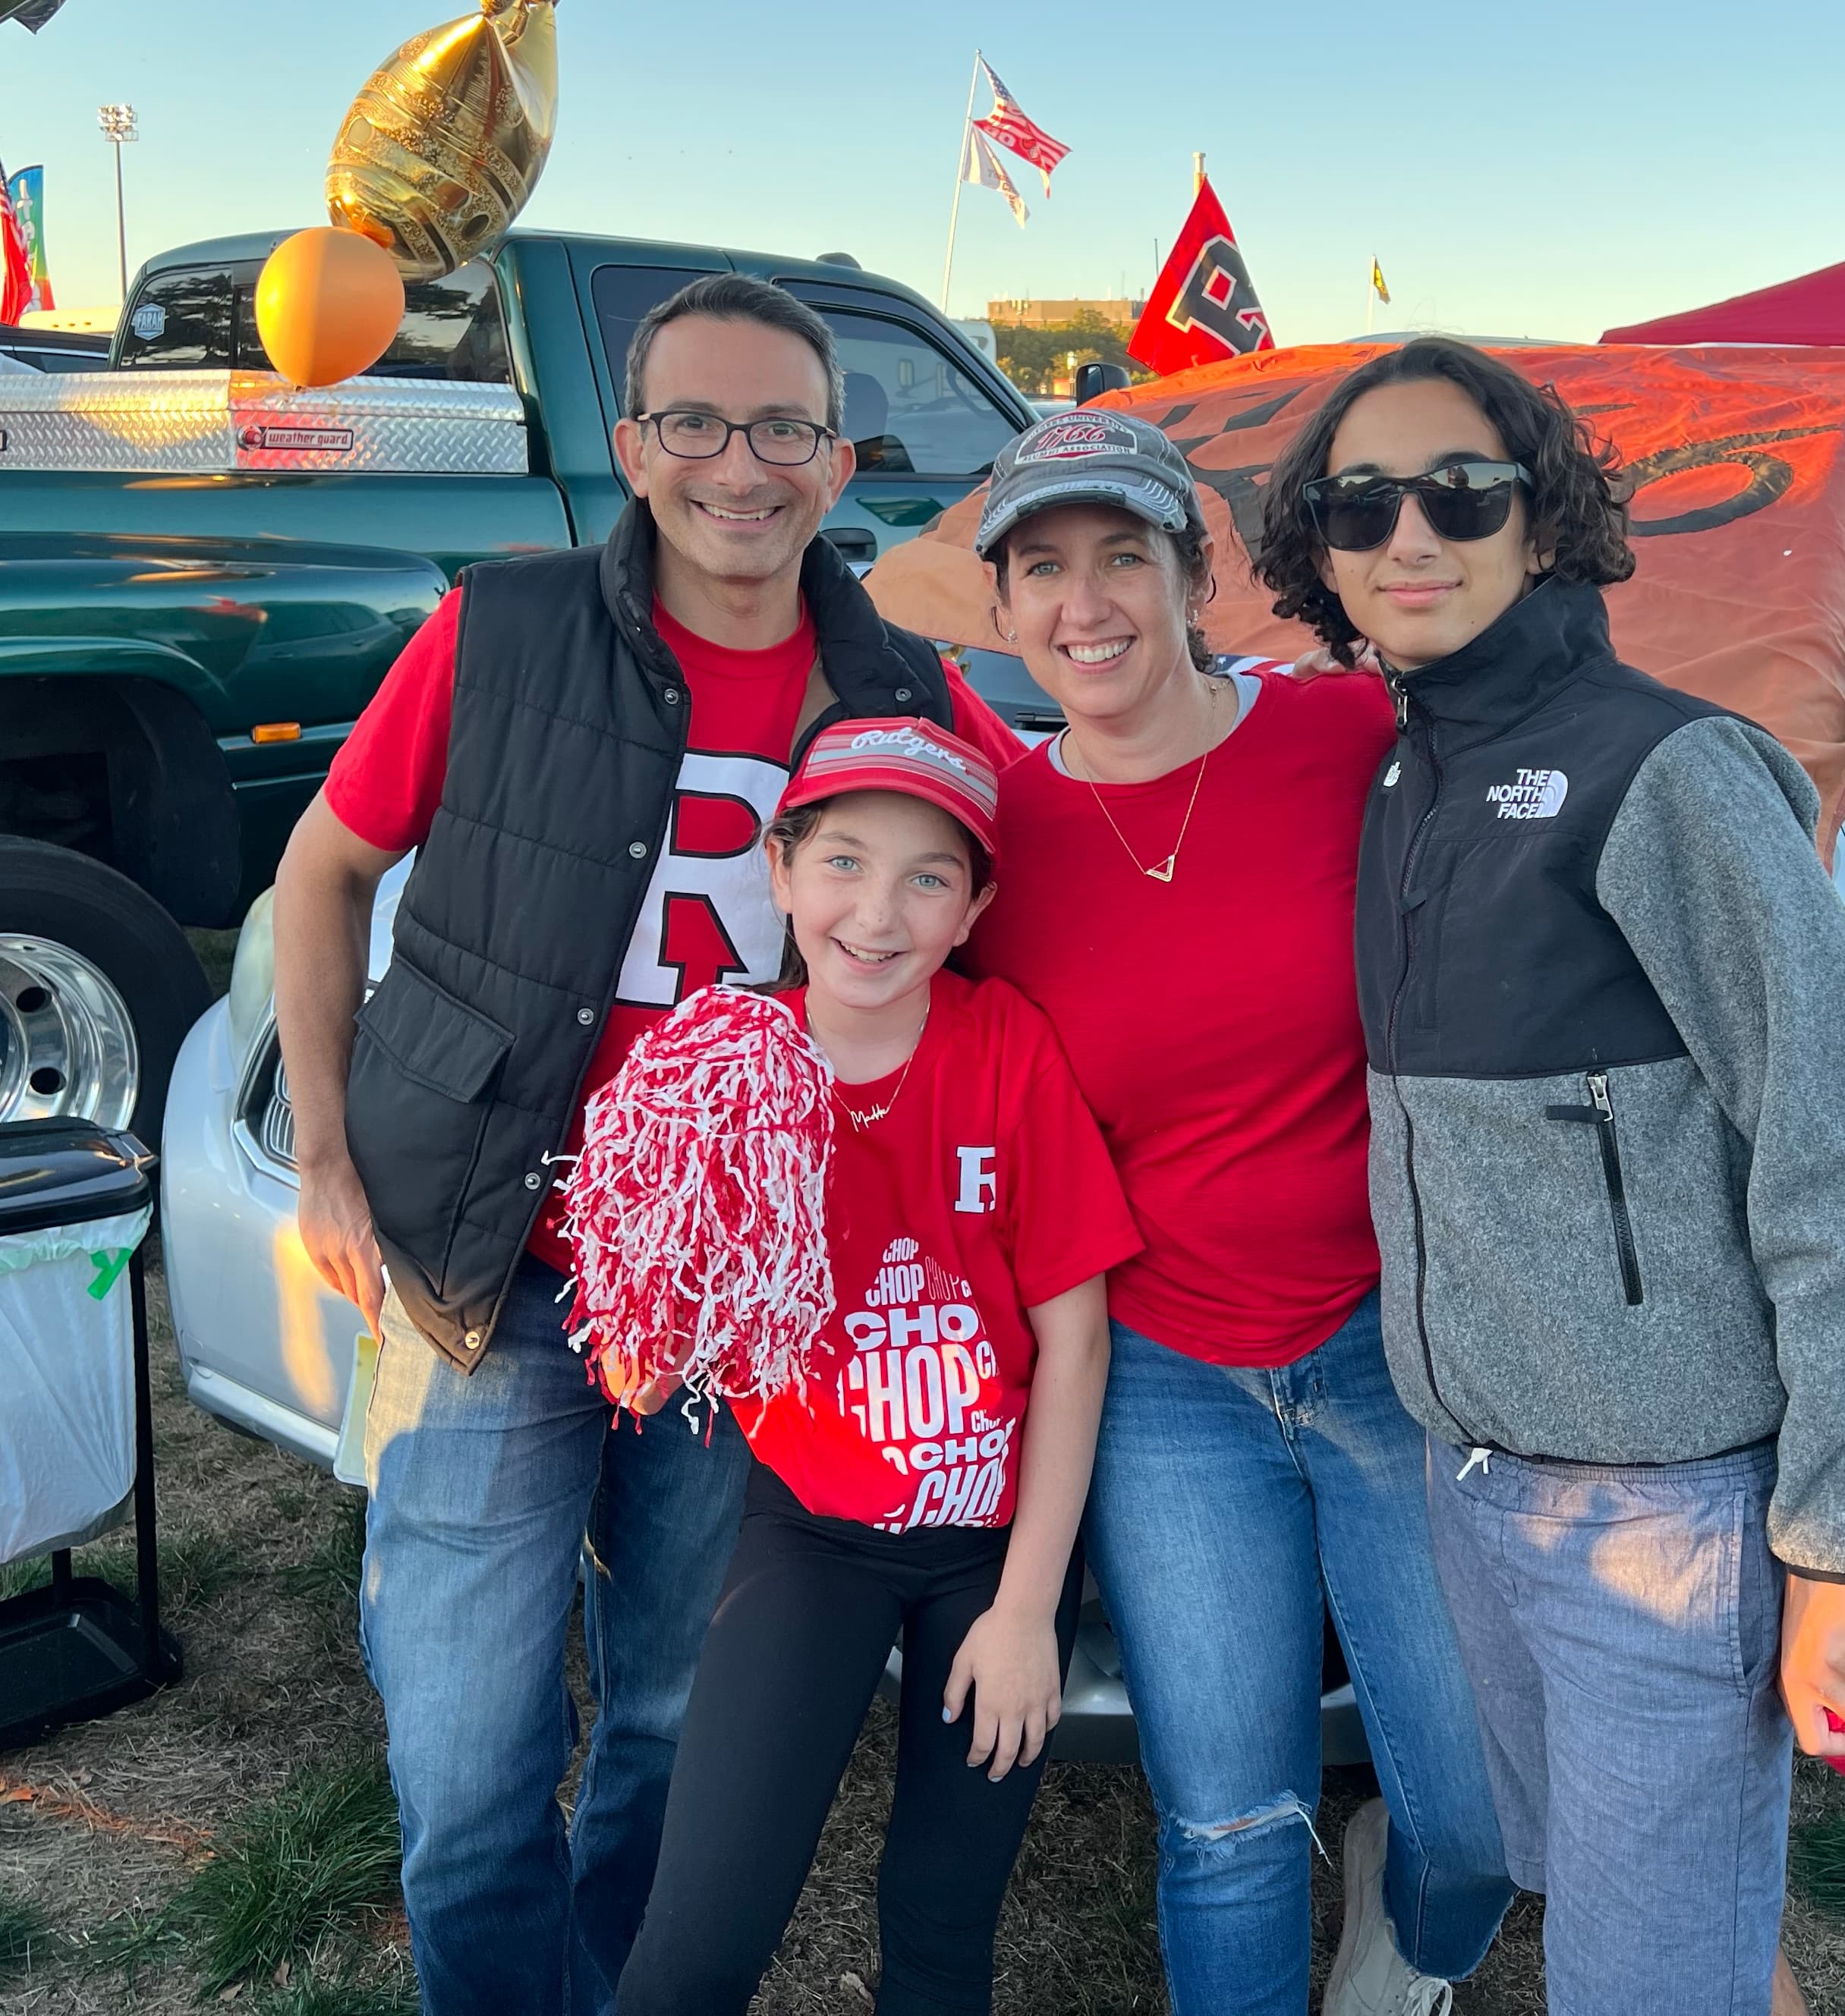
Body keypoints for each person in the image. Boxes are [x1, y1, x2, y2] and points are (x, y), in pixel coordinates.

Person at [270, 275, 1025, 2016]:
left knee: (674, 1727)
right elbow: (321, 871)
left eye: (781, 429)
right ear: (630, 447)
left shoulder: (898, 686)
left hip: (735, 1320)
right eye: (693, 422)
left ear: (839, 461)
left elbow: (1036, 886)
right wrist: (321, 1150)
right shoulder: (501, 629)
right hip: (485, 1270)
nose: (737, 466)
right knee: (466, 1774)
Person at [1255, 336, 1845, 2016]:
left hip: (1660, 1504)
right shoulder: (1402, 760)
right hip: (1474, 1479)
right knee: (1645, 1929)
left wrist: (1831, 1543)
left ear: (1539, 521)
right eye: (1359, 502)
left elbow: (1838, 1152)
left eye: (1457, 493)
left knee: (1644, 1976)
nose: (1407, 533)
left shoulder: (1666, 772)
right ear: (1317, 547)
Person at [961, 410, 1513, 2016]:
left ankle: (1405, 1929)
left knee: (1477, 1817)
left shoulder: (1346, 740)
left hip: (1386, 1349)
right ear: (998, 611)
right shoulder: (990, 844)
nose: (1085, 604)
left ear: (1193, 573)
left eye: (1122, 557)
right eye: (1041, 570)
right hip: (1159, 1377)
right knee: (1225, 1824)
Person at [603, 718, 1137, 2014]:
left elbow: (1075, 1337)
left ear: (975, 907)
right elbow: (645, 1345)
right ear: (778, 874)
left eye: (927, 877)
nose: (877, 913)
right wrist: (652, 1314)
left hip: (991, 1544)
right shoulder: (726, 1067)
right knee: (703, 1931)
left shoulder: (1003, 1044)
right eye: (841, 861)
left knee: (940, 1922)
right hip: (814, 1530)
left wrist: (1025, 1611)